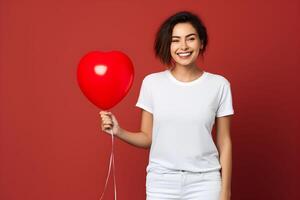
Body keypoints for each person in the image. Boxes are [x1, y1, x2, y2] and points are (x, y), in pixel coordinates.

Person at [99, 11, 234, 200]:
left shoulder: (219, 85)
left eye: (191, 38)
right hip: (161, 183)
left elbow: (224, 142)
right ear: (168, 45)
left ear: (201, 42)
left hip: (205, 182)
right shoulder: (152, 83)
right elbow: (147, 138)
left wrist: (225, 192)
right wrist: (118, 131)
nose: (183, 46)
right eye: (175, 40)